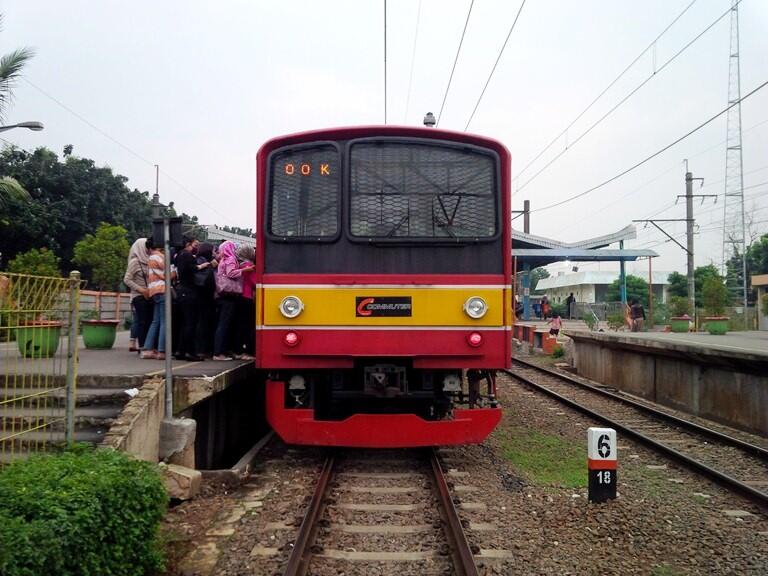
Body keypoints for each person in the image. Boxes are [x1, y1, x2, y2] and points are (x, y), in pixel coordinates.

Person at [213, 241, 253, 361]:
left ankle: (223, 351)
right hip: (229, 294)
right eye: (234, 247)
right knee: (224, 325)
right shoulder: (230, 258)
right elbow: (231, 273)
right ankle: (219, 352)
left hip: (223, 294)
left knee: (225, 324)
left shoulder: (223, 259)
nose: (236, 249)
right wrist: (245, 270)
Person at [174, 236, 212, 361]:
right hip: (189, 291)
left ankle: (180, 350)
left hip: (181, 291)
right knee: (191, 323)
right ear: (188, 244)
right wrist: (204, 265)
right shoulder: (187, 255)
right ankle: (191, 352)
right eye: (194, 244)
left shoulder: (179, 255)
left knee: (185, 323)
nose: (196, 247)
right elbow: (192, 269)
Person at [141, 246, 172, 359]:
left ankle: (148, 349)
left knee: (156, 321)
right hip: (163, 290)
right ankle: (161, 351)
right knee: (164, 322)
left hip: (153, 291)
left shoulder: (150, 258)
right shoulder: (160, 257)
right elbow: (171, 274)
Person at [123, 238, 153, 352]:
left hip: (149, 296)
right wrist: (141, 290)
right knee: (141, 321)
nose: (148, 250)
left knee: (148, 321)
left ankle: (146, 345)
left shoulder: (151, 260)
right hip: (139, 296)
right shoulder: (135, 262)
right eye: (146, 248)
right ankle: (141, 346)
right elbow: (127, 280)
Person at [194, 242, 217, 358]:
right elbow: (205, 279)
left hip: (205, 297)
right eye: (212, 251)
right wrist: (210, 266)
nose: (214, 253)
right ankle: (200, 349)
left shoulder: (202, 260)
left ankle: (203, 348)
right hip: (203, 297)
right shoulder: (202, 261)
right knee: (202, 323)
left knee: (204, 323)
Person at [235, 244, 257, 360]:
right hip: (247, 297)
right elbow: (256, 282)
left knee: (240, 325)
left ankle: (238, 350)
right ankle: (247, 351)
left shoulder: (238, 266)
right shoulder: (249, 266)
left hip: (238, 297)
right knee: (248, 326)